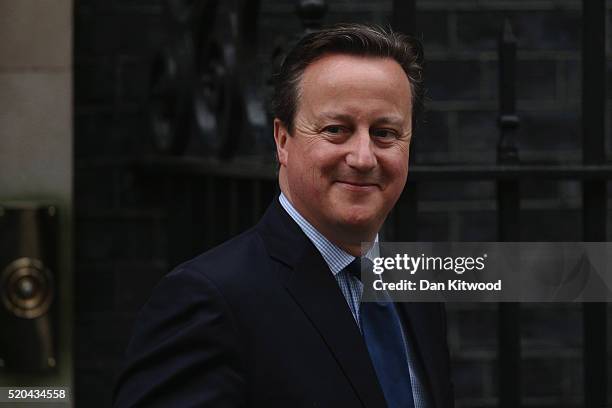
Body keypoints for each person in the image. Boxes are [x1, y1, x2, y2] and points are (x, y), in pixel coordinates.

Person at [113, 23, 454, 408]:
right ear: (282, 140)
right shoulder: (208, 300)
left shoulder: (417, 291)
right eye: (336, 129)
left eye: (385, 133)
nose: (362, 157)